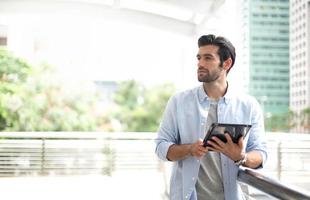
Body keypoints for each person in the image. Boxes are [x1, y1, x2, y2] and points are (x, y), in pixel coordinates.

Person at [155, 34, 267, 200]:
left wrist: (241, 156)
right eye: (199, 58)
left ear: (226, 63)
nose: (200, 63)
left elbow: (260, 154)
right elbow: (161, 147)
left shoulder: (249, 106)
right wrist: (190, 149)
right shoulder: (179, 101)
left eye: (208, 58)